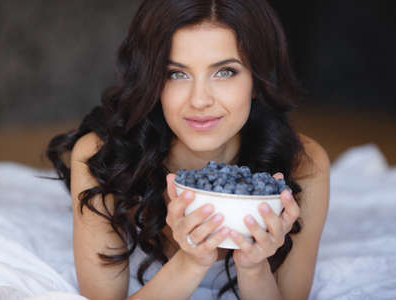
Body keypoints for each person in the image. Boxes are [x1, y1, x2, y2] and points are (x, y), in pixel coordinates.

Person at [46, 0, 330, 299]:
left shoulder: (303, 165)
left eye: (225, 72)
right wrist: (191, 261)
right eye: (176, 74)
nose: (199, 100)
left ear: (257, 80)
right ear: (152, 81)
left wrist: (254, 269)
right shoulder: (103, 158)